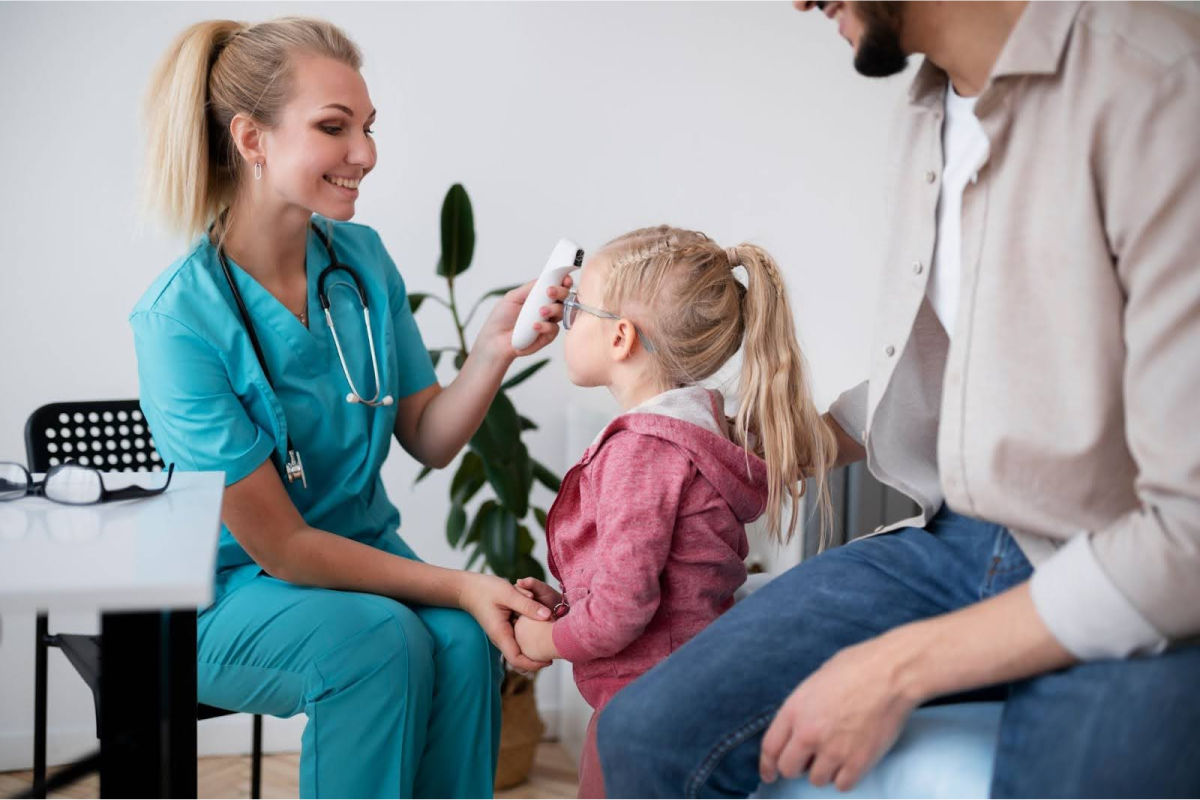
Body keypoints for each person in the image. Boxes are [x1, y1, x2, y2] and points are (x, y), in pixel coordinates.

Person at [596, 1, 1200, 798]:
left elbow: (1187, 528)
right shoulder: (925, 117)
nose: (799, 2)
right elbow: (979, 365)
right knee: (642, 733)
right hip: (960, 539)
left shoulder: (1157, 88)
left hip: (1120, 550)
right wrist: (803, 435)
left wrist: (897, 669)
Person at [131, 17, 564, 799]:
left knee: (466, 642)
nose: (365, 152)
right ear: (252, 139)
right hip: (222, 599)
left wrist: (494, 350)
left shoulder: (360, 264)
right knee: (380, 642)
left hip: (363, 573)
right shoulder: (178, 322)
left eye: (366, 127)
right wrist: (462, 581)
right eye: (334, 127)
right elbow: (286, 550)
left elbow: (428, 438)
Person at [511, 225, 836, 799]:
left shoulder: (642, 453)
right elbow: (661, 581)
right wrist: (567, 606)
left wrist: (546, 642)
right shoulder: (694, 431)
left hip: (642, 702)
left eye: (576, 307)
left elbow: (622, 610)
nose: (565, 320)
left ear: (620, 338)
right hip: (685, 686)